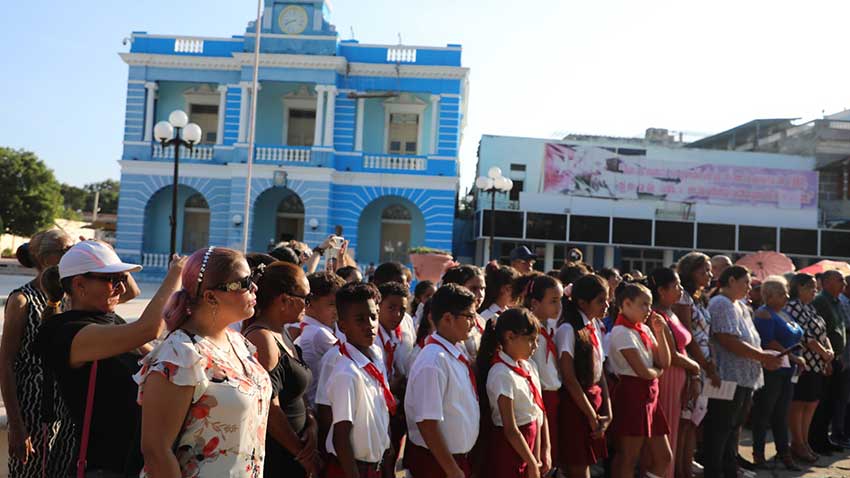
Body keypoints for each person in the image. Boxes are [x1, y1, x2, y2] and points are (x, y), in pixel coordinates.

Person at [36, 240, 180, 476]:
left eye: (122, 279)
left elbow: (153, 353)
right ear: (79, 285)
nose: (121, 289)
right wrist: (177, 274)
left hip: (132, 460)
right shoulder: (66, 332)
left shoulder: (110, 320)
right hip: (103, 465)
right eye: (112, 280)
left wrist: (107, 252)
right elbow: (149, 329)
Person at [135, 247, 272, 477]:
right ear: (210, 296)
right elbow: (156, 451)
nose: (255, 287)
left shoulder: (238, 342)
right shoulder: (181, 354)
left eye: (255, 277)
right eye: (246, 282)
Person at [0, 230, 77, 477]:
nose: (72, 255)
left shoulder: (74, 295)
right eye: (66, 250)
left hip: (65, 409)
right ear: (45, 258)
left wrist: (96, 251)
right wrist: (16, 426)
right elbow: (6, 363)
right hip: (31, 410)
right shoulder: (23, 300)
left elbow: (130, 292)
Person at [703, 265, 782, 478]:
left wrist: (763, 355)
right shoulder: (721, 303)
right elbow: (727, 340)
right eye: (746, 282)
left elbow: (749, 340)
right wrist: (762, 356)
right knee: (721, 427)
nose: (750, 287)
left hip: (744, 377)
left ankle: (730, 467)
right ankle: (715, 470)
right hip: (726, 376)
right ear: (731, 281)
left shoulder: (739, 305)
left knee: (734, 425)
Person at [243, 262, 319, 477]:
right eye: (306, 297)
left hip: (296, 450)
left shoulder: (282, 333)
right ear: (284, 300)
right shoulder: (262, 338)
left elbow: (298, 392)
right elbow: (270, 408)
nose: (309, 304)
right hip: (280, 456)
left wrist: (311, 424)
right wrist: (302, 454)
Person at [404, 284, 479, 478]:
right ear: (447, 319)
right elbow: (427, 423)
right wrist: (452, 469)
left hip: (455, 460)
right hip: (438, 463)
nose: (474, 323)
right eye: (469, 317)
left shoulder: (454, 352)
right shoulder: (433, 361)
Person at [324, 282, 393, 478]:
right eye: (360, 319)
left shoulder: (376, 356)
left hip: (375, 465)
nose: (369, 325)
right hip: (352, 469)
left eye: (373, 317)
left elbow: (382, 409)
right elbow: (341, 437)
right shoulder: (346, 373)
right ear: (342, 325)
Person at [608, 282, 673, 478]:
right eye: (643, 304)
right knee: (628, 457)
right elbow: (643, 371)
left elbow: (664, 361)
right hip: (632, 395)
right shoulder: (621, 331)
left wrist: (660, 333)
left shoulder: (642, 329)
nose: (648, 310)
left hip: (649, 395)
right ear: (626, 304)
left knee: (664, 457)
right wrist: (657, 372)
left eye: (650, 304)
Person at [478, 308, 551, 478]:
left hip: (530, 443)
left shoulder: (528, 365)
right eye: (531, 340)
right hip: (510, 448)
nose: (536, 346)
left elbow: (538, 411)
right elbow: (510, 429)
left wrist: (542, 451)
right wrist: (532, 461)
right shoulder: (501, 373)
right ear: (510, 337)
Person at [647, 268, 701, 478]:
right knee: (665, 436)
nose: (680, 290)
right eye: (676, 286)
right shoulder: (657, 315)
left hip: (679, 376)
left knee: (676, 432)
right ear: (661, 290)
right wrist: (695, 368)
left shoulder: (671, 312)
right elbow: (671, 354)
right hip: (667, 377)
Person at [555, 274, 610, 477]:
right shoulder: (568, 329)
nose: (606, 305)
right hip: (576, 404)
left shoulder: (593, 325)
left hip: (594, 400)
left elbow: (600, 370)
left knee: (587, 464)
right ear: (581, 302)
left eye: (607, 300)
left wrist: (607, 410)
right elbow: (570, 379)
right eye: (600, 301)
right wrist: (591, 415)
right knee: (577, 467)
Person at [671, 252, 720, 476]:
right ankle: (679, 471)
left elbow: (705, 334)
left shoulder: (700, 297)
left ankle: (686, 468)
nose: (710, 275)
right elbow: (687, 337)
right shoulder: (683, 298)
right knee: (684, 423)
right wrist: (704, 365)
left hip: (703, 364)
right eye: (704, 271)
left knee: (693, 422)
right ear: (691, 272)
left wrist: (711, 363)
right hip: (691, 364)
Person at [750, 275, 804, 470]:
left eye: (786, 292)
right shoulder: (764, 313)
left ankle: (784, 453)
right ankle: (758, 453)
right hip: (772, 367)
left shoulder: (784, 313)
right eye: (781, 294)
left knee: (781, 413)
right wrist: (794, 357)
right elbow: (769, 341)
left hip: (787, 369)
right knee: (764, 412)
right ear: (769, 296)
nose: (786, 297)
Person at [785, 273, 833, 463]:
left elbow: (823, 332)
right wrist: (823, 353)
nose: (815, 290)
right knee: (799, 404)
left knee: (812, 402)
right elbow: (806, 337)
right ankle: (797, 443)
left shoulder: (810, 307)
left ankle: (804, 442)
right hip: (803, 363)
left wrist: (828, 352)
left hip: (818, 363)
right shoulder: (793, 307)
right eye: (811, 287)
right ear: (799, 288)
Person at [521, 274, 564, 467]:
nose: (558, 306)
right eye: (553, 301)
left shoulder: (548, 327)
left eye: (560, 300)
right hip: (539, 398)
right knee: (539, 456)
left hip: (552, 398)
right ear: (535, 303)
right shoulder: (529, 334)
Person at [810, 269, 850, 454]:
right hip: (824, 359)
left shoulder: (836, 302)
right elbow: (820, 332)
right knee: (822, 402)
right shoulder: (821, 301)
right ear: (826, 283)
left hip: (837, 357)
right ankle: (815, 441)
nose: (844, 284)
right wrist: (827, 359)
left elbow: (841, 328)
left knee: (832, 400)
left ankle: (824, 439)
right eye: (839, 280)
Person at [376, 281, 411, 472]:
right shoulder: (372, 338)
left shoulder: (394, 334)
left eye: (402, 310)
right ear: (378, 305)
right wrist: (396, 382)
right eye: (391, 308)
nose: (397, 315)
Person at [296, 271, 346, 406]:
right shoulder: (319, 334)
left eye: (339, 305)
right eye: (331, 304)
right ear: (309, 303)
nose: (337, 310)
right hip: (318, 408)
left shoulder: (313, 328)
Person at [441, 265, 487, 359]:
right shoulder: (452, 321)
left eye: (482, 288)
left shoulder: (481, 320)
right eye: (474, 288)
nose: (480, 294)